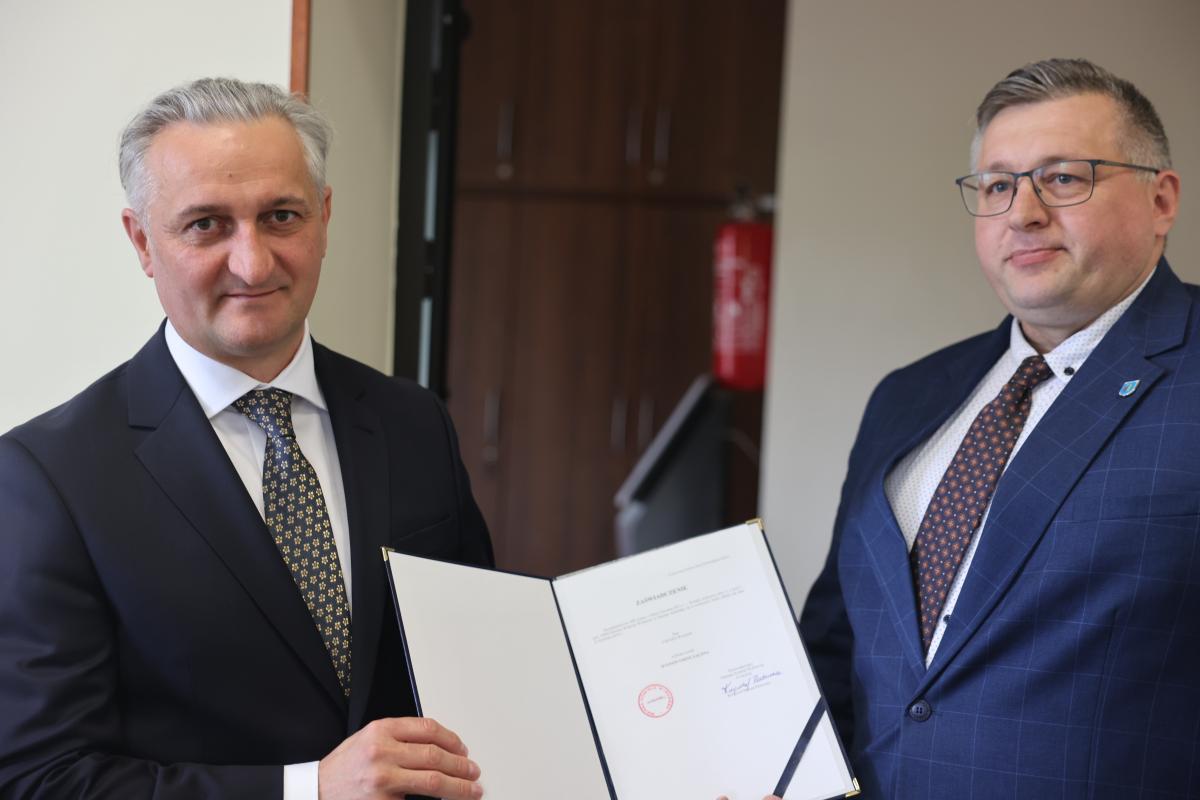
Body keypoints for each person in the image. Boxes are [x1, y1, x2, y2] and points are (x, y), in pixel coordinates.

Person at [0, 78, 493, 799]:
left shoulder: (414, 423)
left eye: (280, 216)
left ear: (324, 218)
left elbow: (481, 663)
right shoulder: (49, 477)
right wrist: (308, 789)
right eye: (206, 225)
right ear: (142, 241)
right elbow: (42, 779)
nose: (253, 263)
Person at [794, 58, 1198, 798]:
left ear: (1161, 199)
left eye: (1064, 178)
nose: (1023, 212)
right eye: (997, 185)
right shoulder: (907, 396)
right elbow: (837, 640)